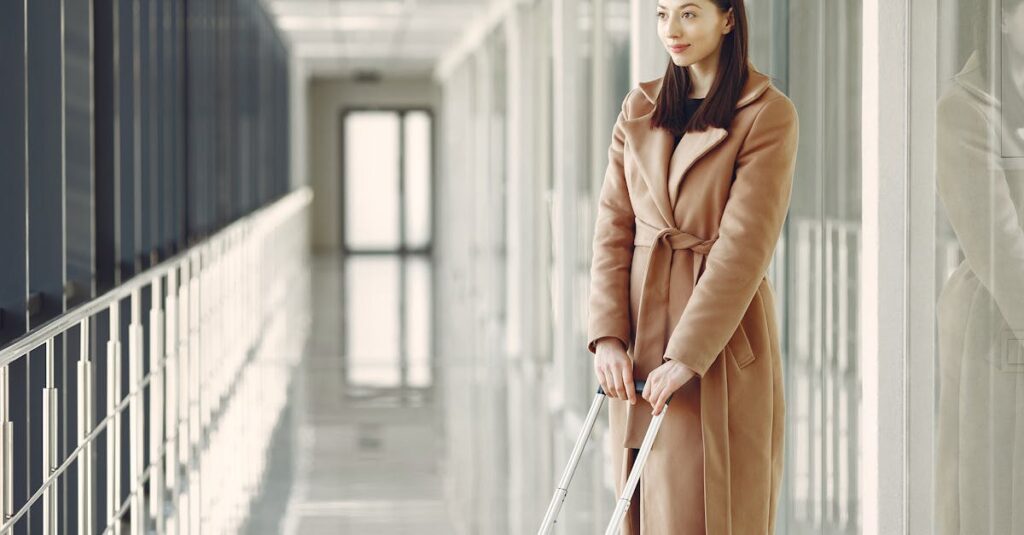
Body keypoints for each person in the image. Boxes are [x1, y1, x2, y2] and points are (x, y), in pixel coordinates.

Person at [586, 1, 799, 533]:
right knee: (637, 504)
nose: (671, 31)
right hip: (639, 336)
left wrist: (687, 354)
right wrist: (608, 336)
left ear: (729, 18)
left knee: (702, 508)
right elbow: (614, 227)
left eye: (689, 13)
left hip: (716, 343)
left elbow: (744, 247)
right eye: (662, 14)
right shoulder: (639, 105)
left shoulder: (766, 112)